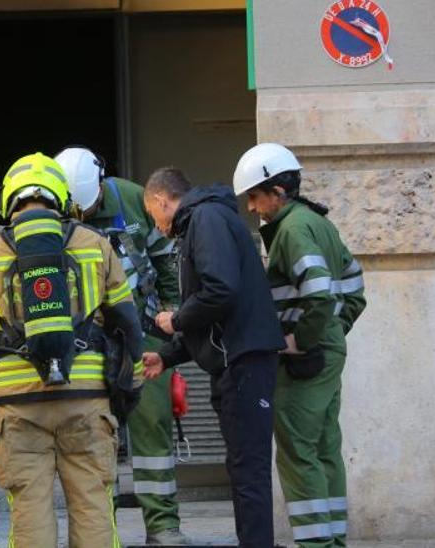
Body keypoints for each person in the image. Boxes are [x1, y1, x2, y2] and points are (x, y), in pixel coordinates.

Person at [0, 153, 145, 548]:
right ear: (62, 196)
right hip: (87, 400)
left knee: (29, 515)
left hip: (18, 407)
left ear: (9, 198)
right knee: (93, 506)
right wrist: (133, 383)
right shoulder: (95, 245)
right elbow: (129, 323)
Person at [140, 166, 284, 548]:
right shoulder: (205, 219)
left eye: (152, 215)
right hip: (237, 360)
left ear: (160, 200)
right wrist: (167, 357)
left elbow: (220, 291)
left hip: (244, 362)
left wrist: (177, 319)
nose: (156, 226)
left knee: (248, 469)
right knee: (242, 468)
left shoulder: (205, 218)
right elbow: (215, 315)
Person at [233, 144, 366, 547]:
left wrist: (300, 339)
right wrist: (331, 334)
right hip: (326, 353)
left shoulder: (292, 229)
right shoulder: (317, 223)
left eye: (255, 196)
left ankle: (316, 545)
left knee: (297, 454)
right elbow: (355, 289)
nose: (253, 208)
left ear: (278, 191)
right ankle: (332, 542)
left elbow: (321, 294)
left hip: (305, 360)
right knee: (325, 449)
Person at [55, 146, 184, 545]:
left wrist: (172, 315)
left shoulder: (131, 198)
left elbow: (166, 259)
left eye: (88, 206)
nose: (81, 216)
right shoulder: (53, 209)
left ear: (100, 183)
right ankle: (100, 528)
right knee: (93, 434)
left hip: (143, 331)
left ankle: (163, 527)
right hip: (87, 340)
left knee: (152, 428)